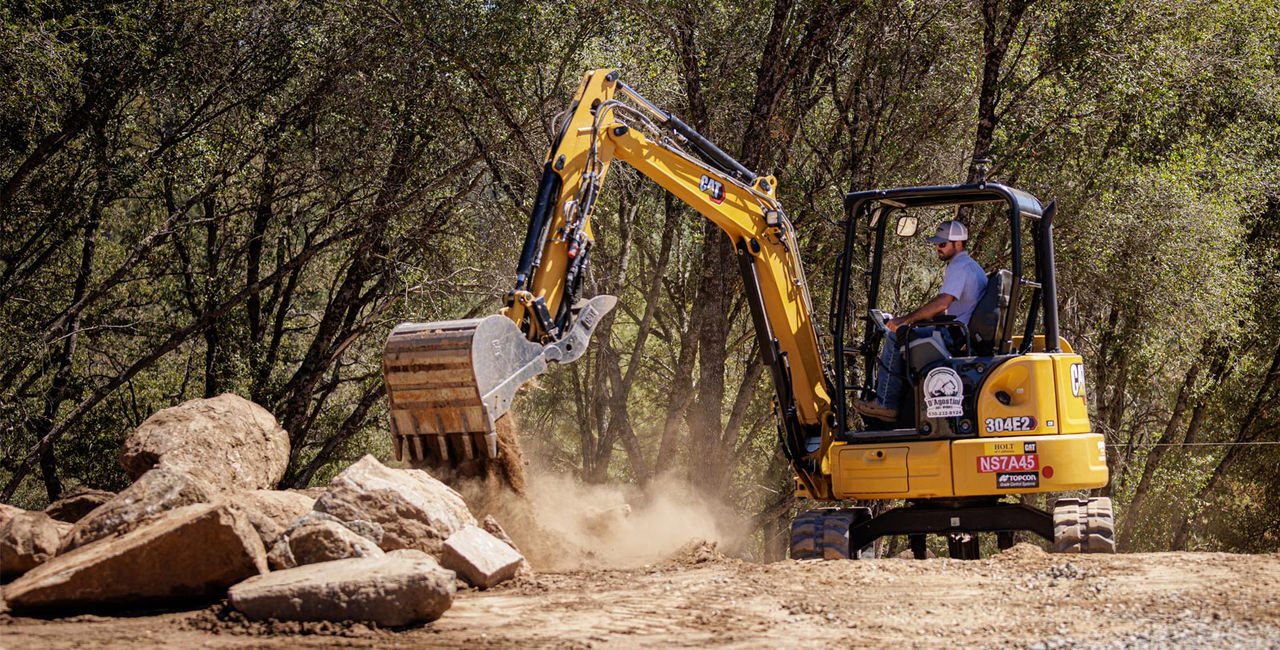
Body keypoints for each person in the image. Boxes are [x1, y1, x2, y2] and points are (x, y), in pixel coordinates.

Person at [853, 219, 987, 420]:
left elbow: (943, 303)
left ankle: (886, 404)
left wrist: (905, 320)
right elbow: (948, 308)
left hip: (954, 336)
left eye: (942, 244)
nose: (937, 248)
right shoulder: (971, 266)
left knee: (894, 336)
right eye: (936, 243)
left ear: (958, 244)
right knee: (906, 330)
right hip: (957, 331)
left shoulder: (959, 266)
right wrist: (919, 321)